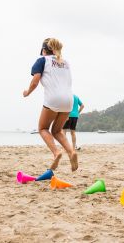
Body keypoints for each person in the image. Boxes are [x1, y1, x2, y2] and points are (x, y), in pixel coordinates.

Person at [23, 38, 78, 171]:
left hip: (53, 99)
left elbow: (35, 81)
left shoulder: (42, 60)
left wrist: (27, 92)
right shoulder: (65, 62)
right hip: (69, 100)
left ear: (43, 50)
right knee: (57, 131)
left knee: (42, 128)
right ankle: (71, 152)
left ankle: (56, 152)